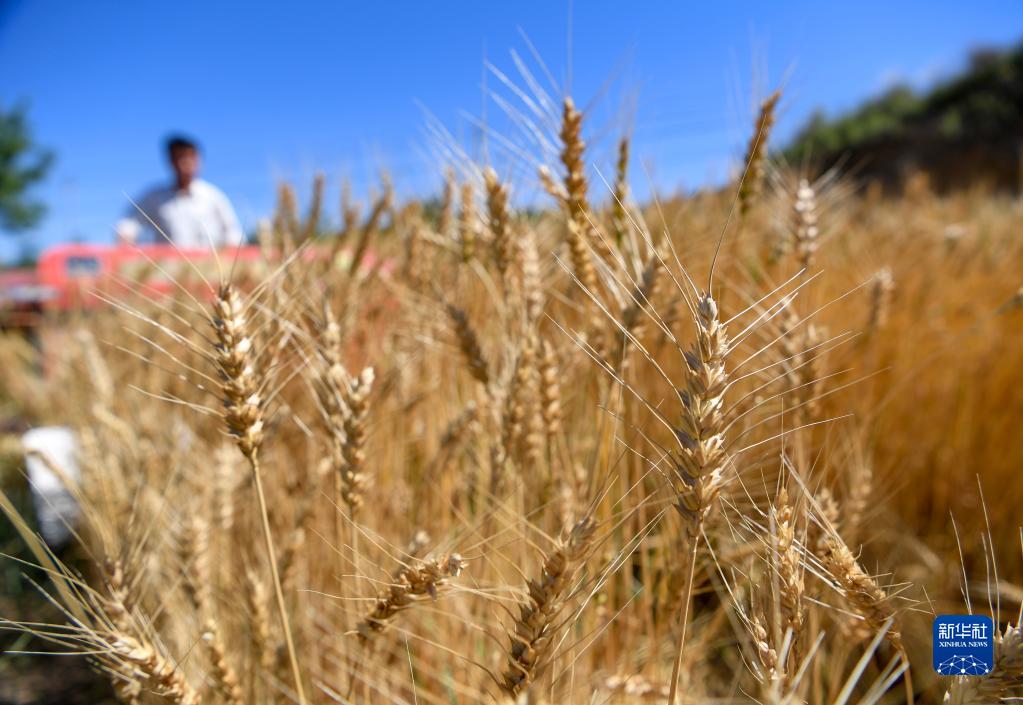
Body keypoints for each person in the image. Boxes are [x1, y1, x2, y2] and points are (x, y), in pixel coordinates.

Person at [116, 135, 244, 248]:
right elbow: (127, 225)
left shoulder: (214, 197)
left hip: (209, 266)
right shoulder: (155, 198)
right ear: (171, 161)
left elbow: (234, 234)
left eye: (191, 157)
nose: (187, 163)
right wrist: (125, 240)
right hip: (166, 266)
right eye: (181, 158)